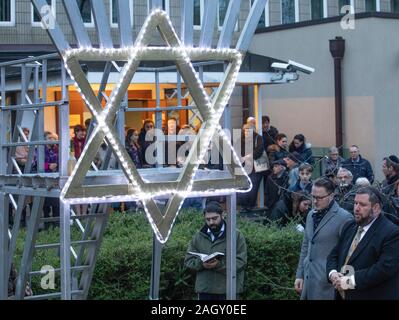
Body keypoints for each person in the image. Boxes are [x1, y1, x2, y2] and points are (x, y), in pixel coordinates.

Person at [327, 187, 399, 300]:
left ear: (376, 208)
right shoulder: (350, 226)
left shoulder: (391, 233)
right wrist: (333, 274)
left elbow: (383, 270)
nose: (356, 208)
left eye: (362, 205)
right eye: (355, 203)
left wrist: (347, 281)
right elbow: (334, 254)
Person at [294, 178, 353, 300]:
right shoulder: (311, 214)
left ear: (331, 196)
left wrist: (345, 285)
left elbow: (350, 255)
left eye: (319, 198)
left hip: (329, 286)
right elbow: (306, 246)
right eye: (313, 196)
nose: (314, 201)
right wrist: (299, 274)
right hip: (308, 281)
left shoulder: (345, 218)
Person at [184, 201, 247, 300]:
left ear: (222, 215)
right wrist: (202, 264)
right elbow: (188, 261)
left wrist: (218, 265)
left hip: (228, 289)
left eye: (214, 218)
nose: (211, 222)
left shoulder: (236, 235)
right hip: (205, 289)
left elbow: (241, 262)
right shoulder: (198, 237)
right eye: (208, 219)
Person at [236, 123, 265, 210]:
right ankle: (243, 205)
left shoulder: (258, 138)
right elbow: (237, 150)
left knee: (253, 185)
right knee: (242, 184)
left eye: (248, 130)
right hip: (244, 166)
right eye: (245, 130)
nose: (246, 131)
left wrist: (247, 157)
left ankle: (250, 205)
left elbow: (259, 151)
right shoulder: (240, 139)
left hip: (256, 167)